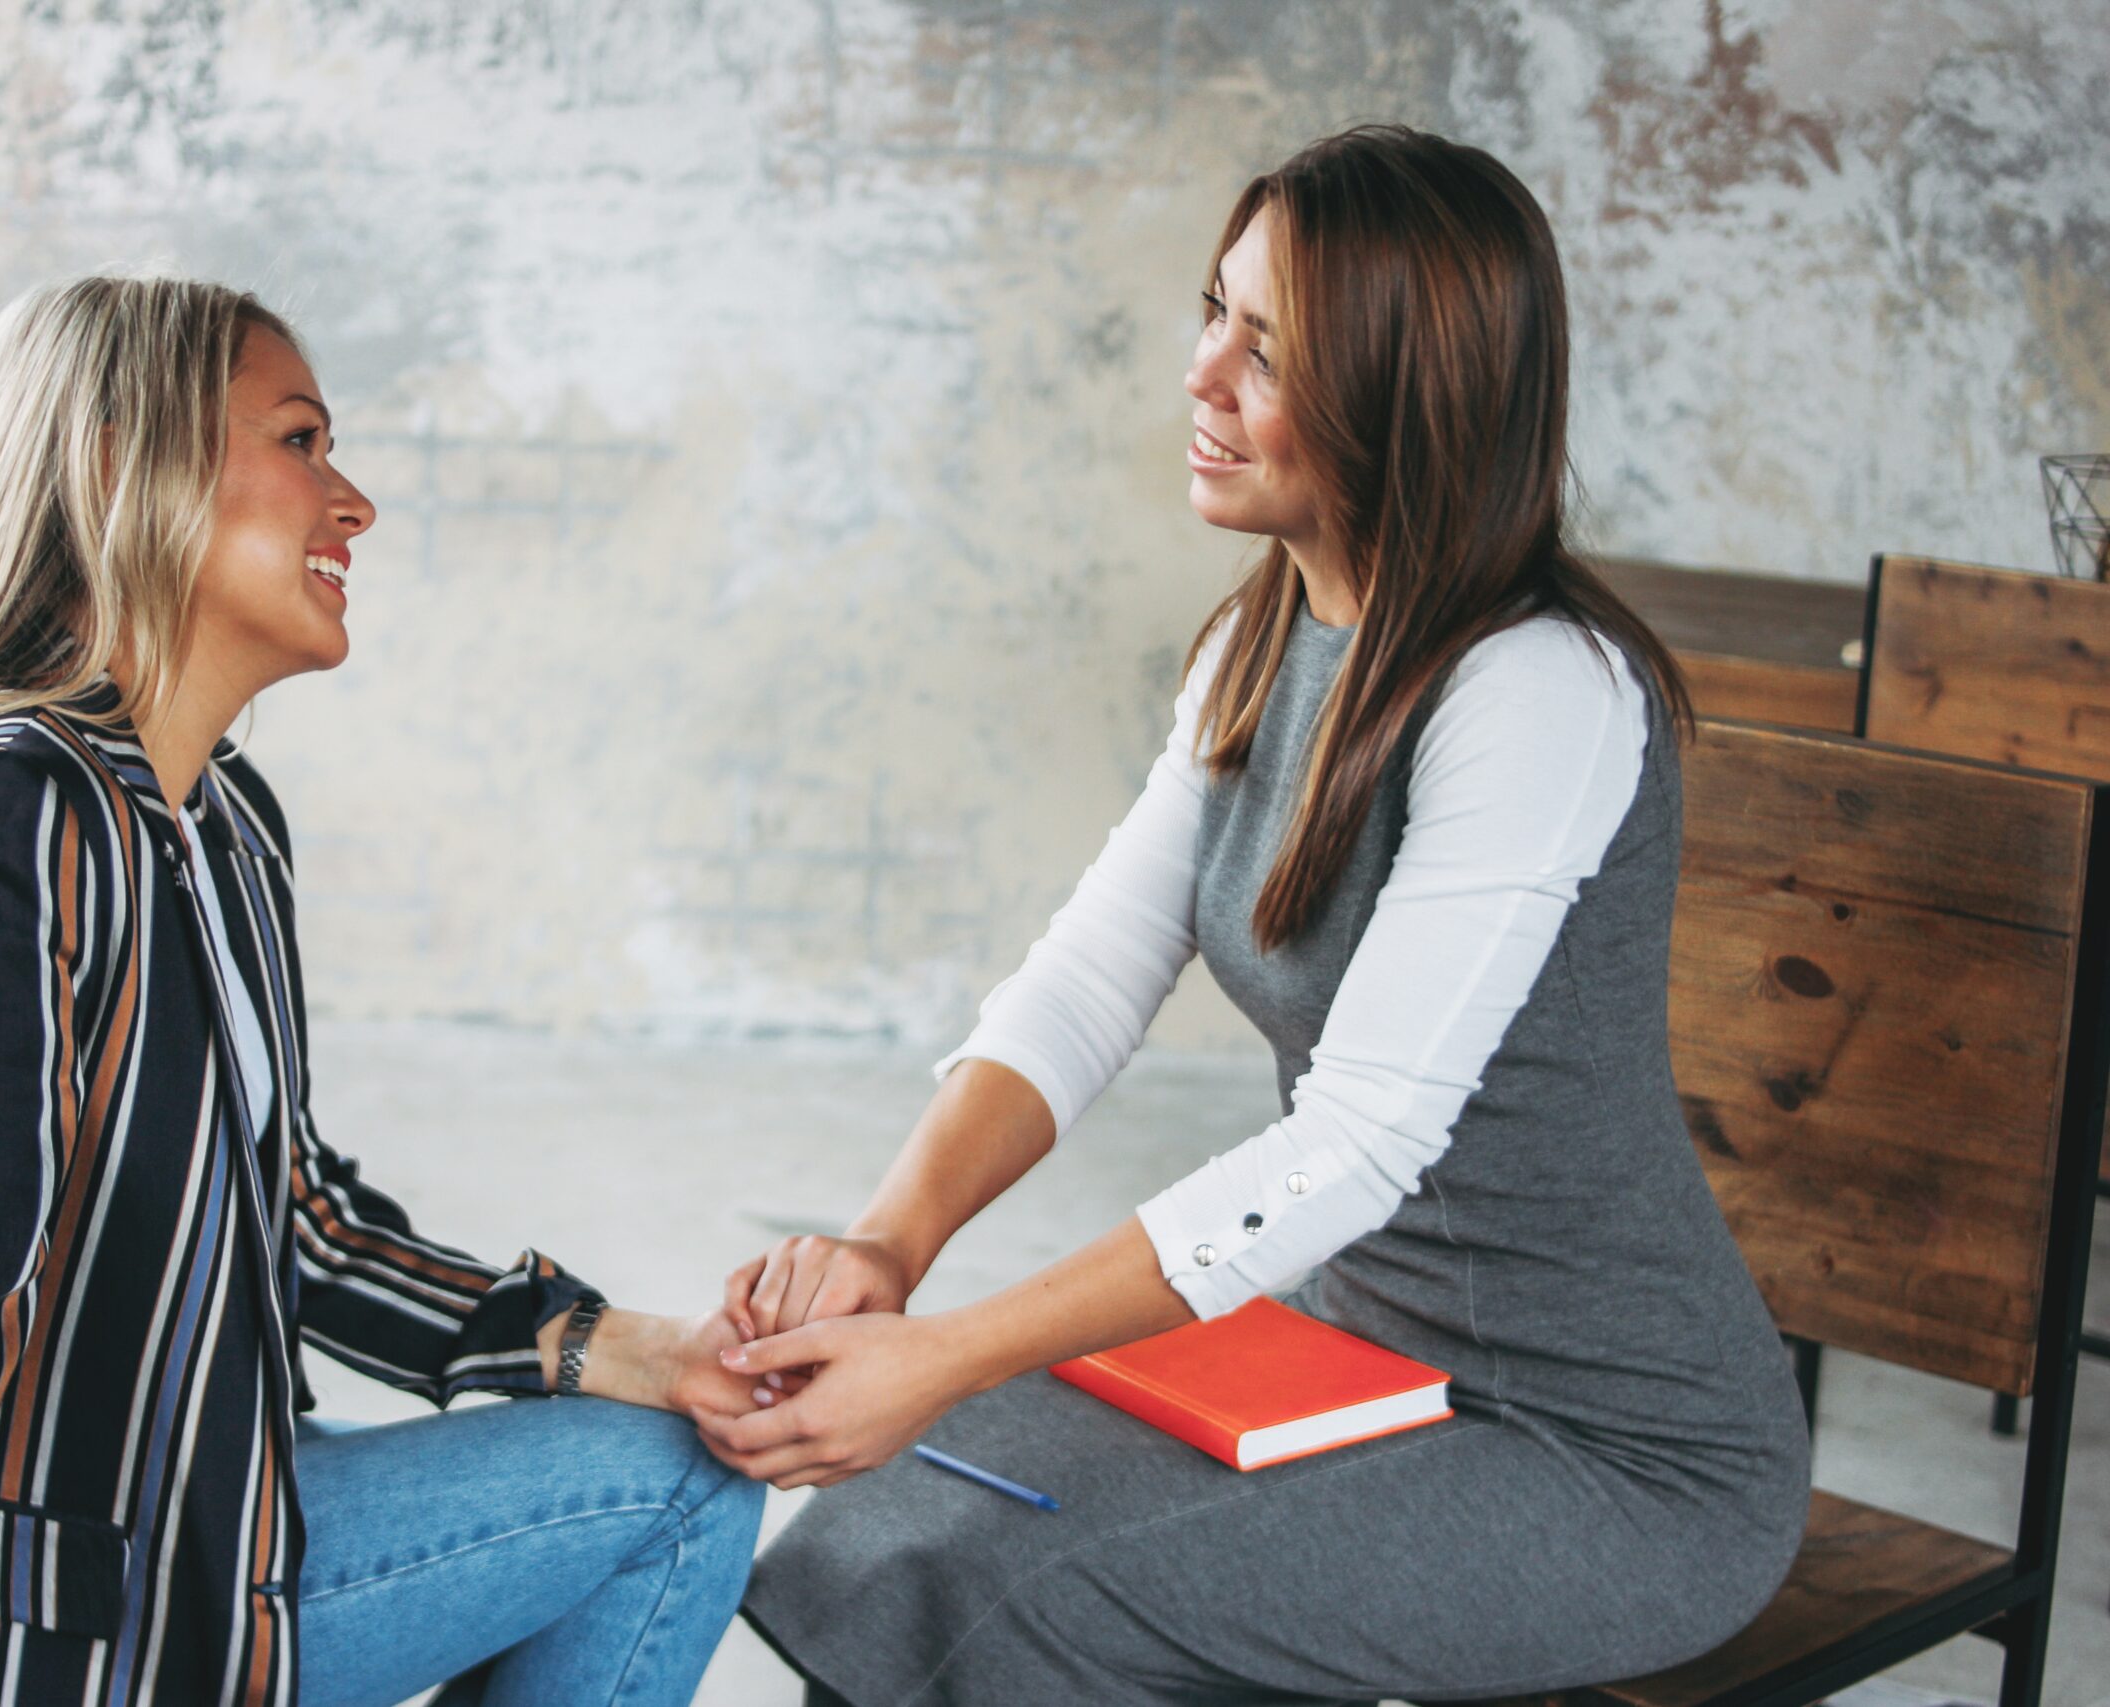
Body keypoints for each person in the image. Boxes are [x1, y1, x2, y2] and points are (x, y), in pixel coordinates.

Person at [703, 125, 1811, 1706]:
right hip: (1357, 1351)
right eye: (1211, 312)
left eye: (1267, 347)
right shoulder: (1266, 633)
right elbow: (1089, 981)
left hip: (1607, 1451)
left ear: (1404, 395)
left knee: (1032, 1609)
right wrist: (894, 1245)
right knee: (895, 1528)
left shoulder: (1541, 689)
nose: (1200, 372)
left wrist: (952, 1352)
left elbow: (1353, 1144)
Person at [0, 277, 764, 1707]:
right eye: (302, 440)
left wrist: (626, 1346)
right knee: (682, 1498)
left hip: (202, 1524)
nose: (352, 501)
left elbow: (299, 1220)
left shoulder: (224, 824)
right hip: (29, 1624)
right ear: (127, 467)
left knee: (689, 1463)